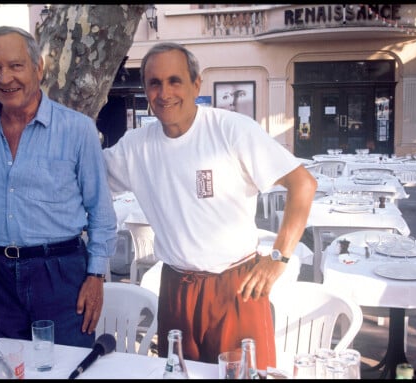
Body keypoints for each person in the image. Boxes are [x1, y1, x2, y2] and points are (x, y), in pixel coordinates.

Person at [102, 42, 317, 370]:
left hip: (236, 288)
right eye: (154, 83)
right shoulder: (135, 147)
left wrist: (278, 258)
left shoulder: (230, 130)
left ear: (195, 84)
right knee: (179, 376)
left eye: (175, 81)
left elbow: (302, 184)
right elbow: (88, 180)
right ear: (145, 89)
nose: (165, 93)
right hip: (176, 288)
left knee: (244, 376)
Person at [0, 26, 117, 348]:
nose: (4, 77)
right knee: (9, 366)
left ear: (38, 67)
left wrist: (96, 276)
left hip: (61, 275)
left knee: (68, 365)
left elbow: (100, 210)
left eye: (15, 65)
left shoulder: (77, 129)